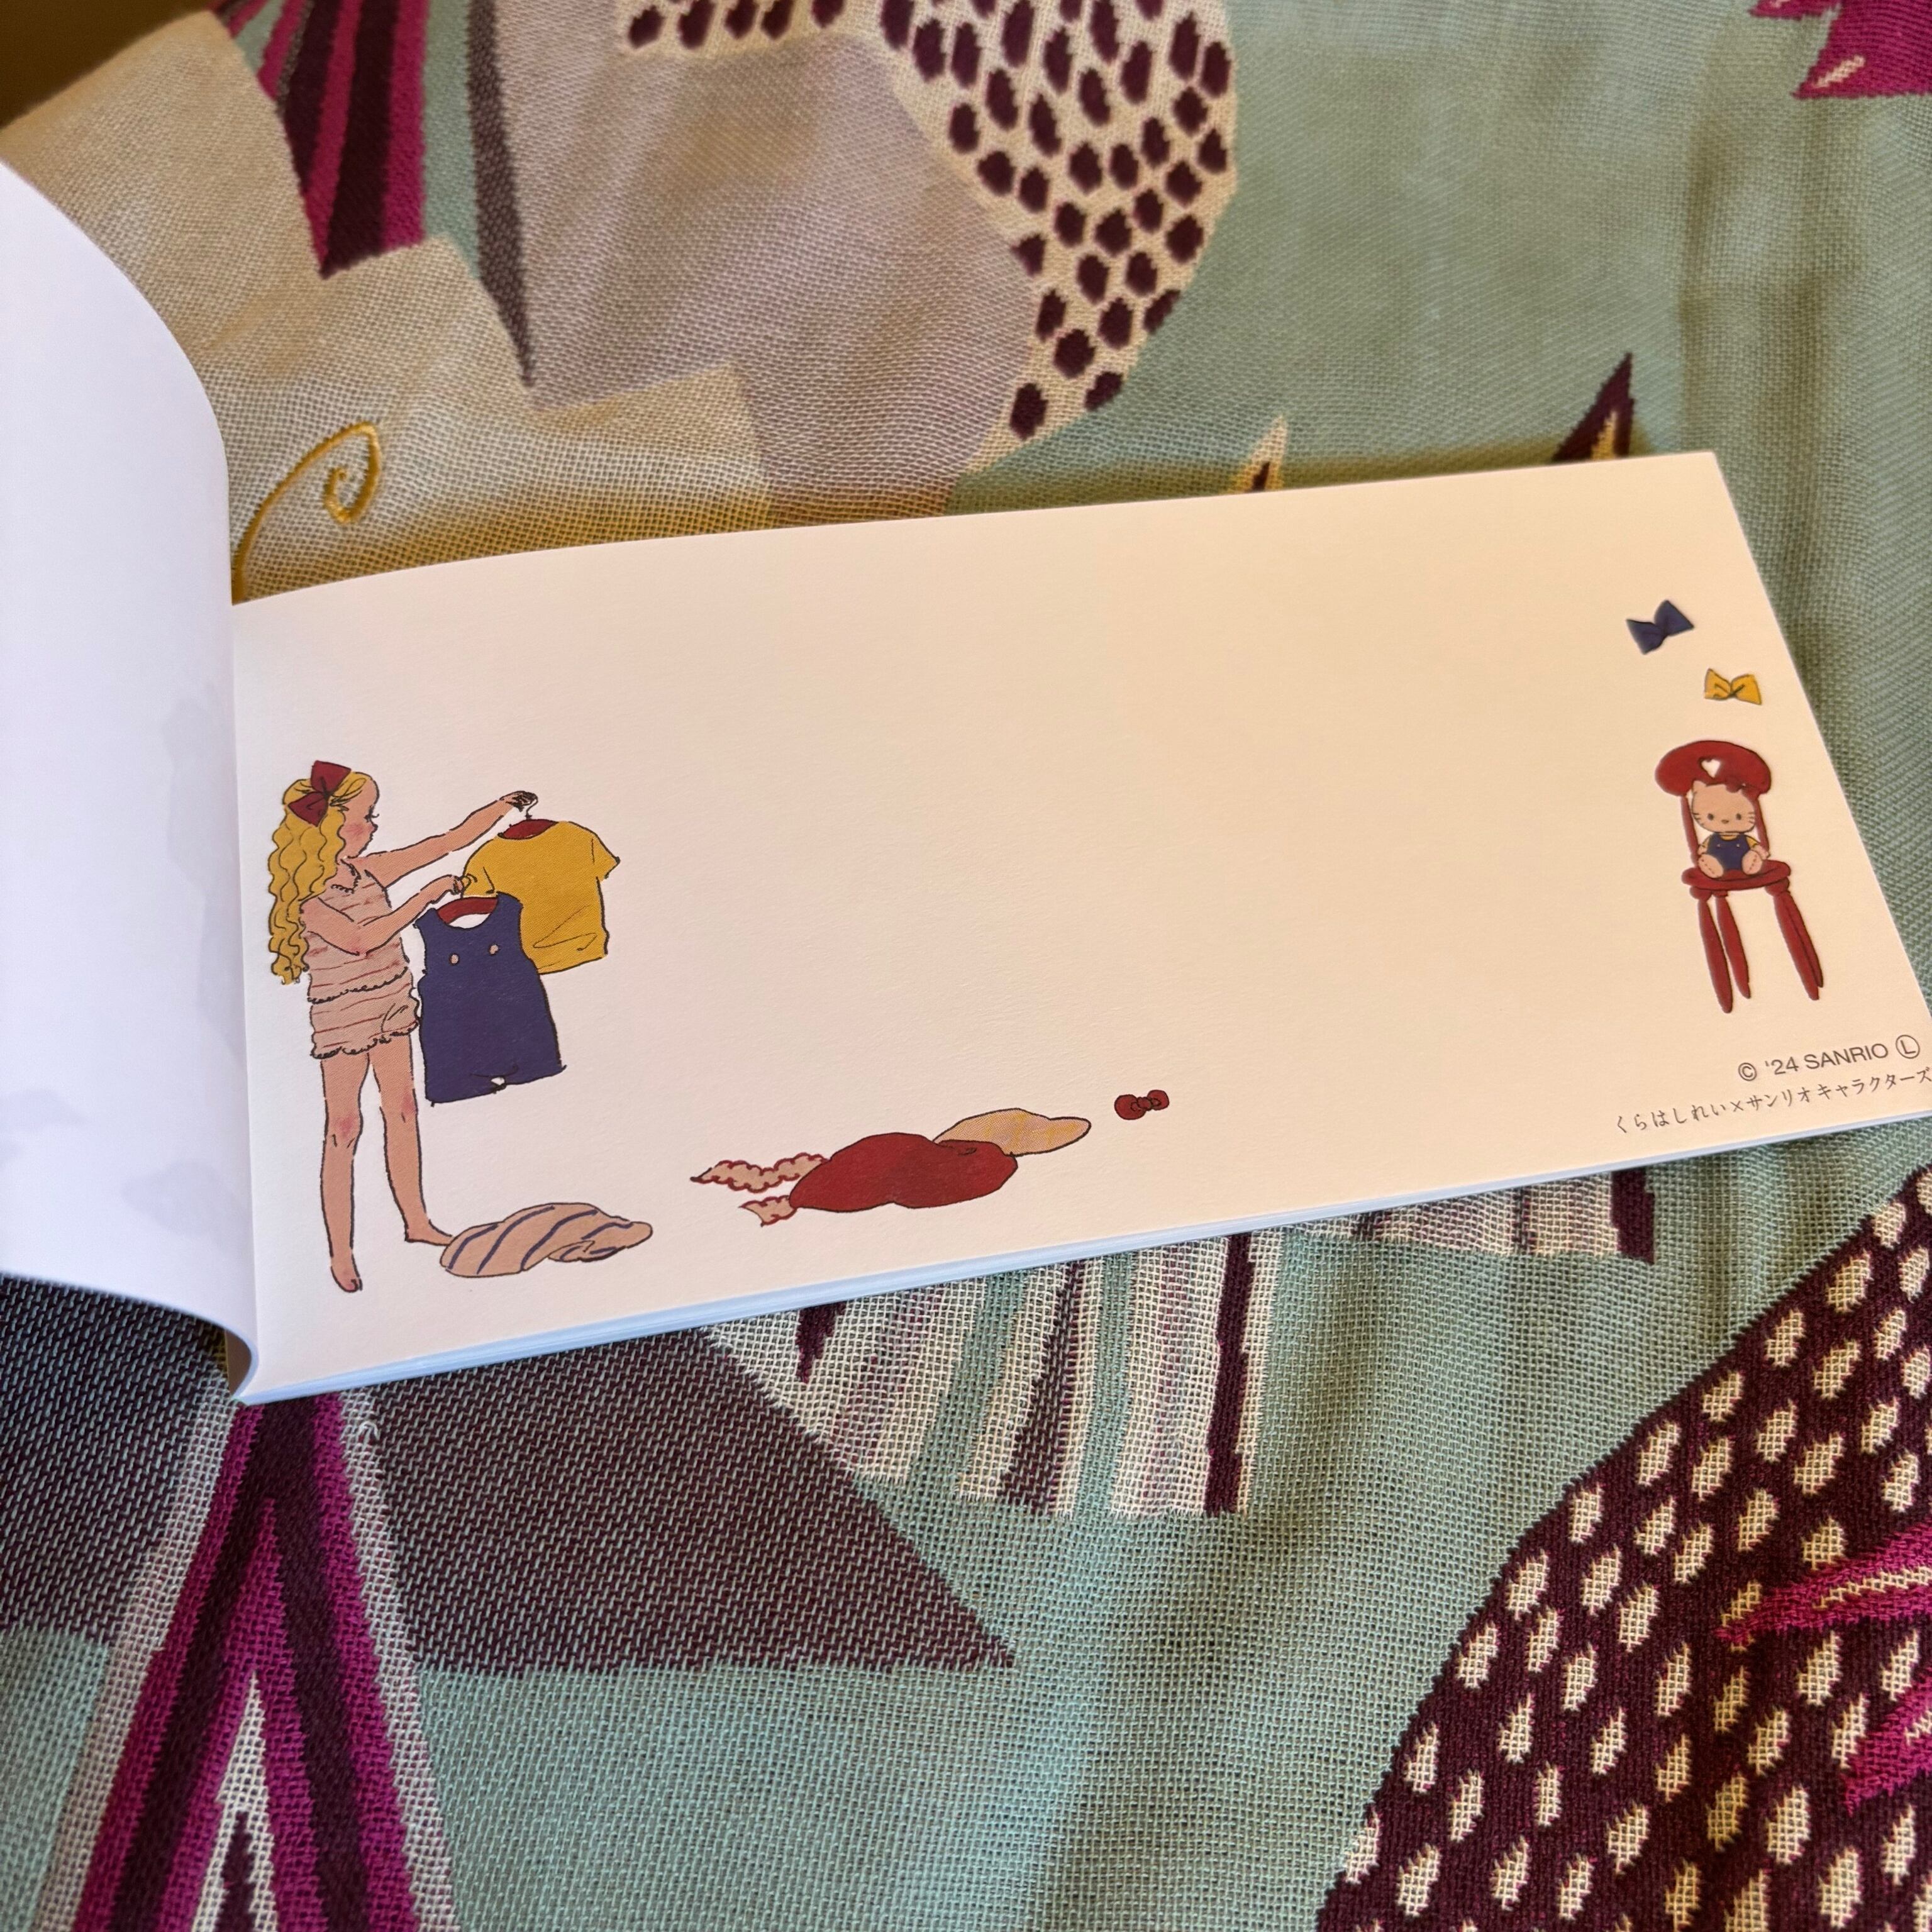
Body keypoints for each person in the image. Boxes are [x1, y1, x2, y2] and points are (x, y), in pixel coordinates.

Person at [266, 762, 535, 1292]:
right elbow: (360, 939)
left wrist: (503, 807)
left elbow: (446, 842)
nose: (374, 826)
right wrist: (424, 897)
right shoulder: (309, 897)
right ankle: (340, 1251)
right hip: (343, 1013)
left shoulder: (370, 871)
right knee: (344, 1126)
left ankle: (416, 1220)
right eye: (366, 817)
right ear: (334, 825)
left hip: (391, 1000)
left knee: (403, 1108)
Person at [1689, 777, 1766, 877]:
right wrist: (1702, 849)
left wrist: (1759, 850)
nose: (1725, 820)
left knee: (1751, 856)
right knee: (1709, 860)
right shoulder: (1712, 839)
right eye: (1711, 817)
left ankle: (1752, 863)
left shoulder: (1745, 839)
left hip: (1742, 861)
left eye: (1739, 817)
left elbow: (1755, 846)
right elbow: (1703, 848)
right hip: (1718, 861)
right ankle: (1712, 866)